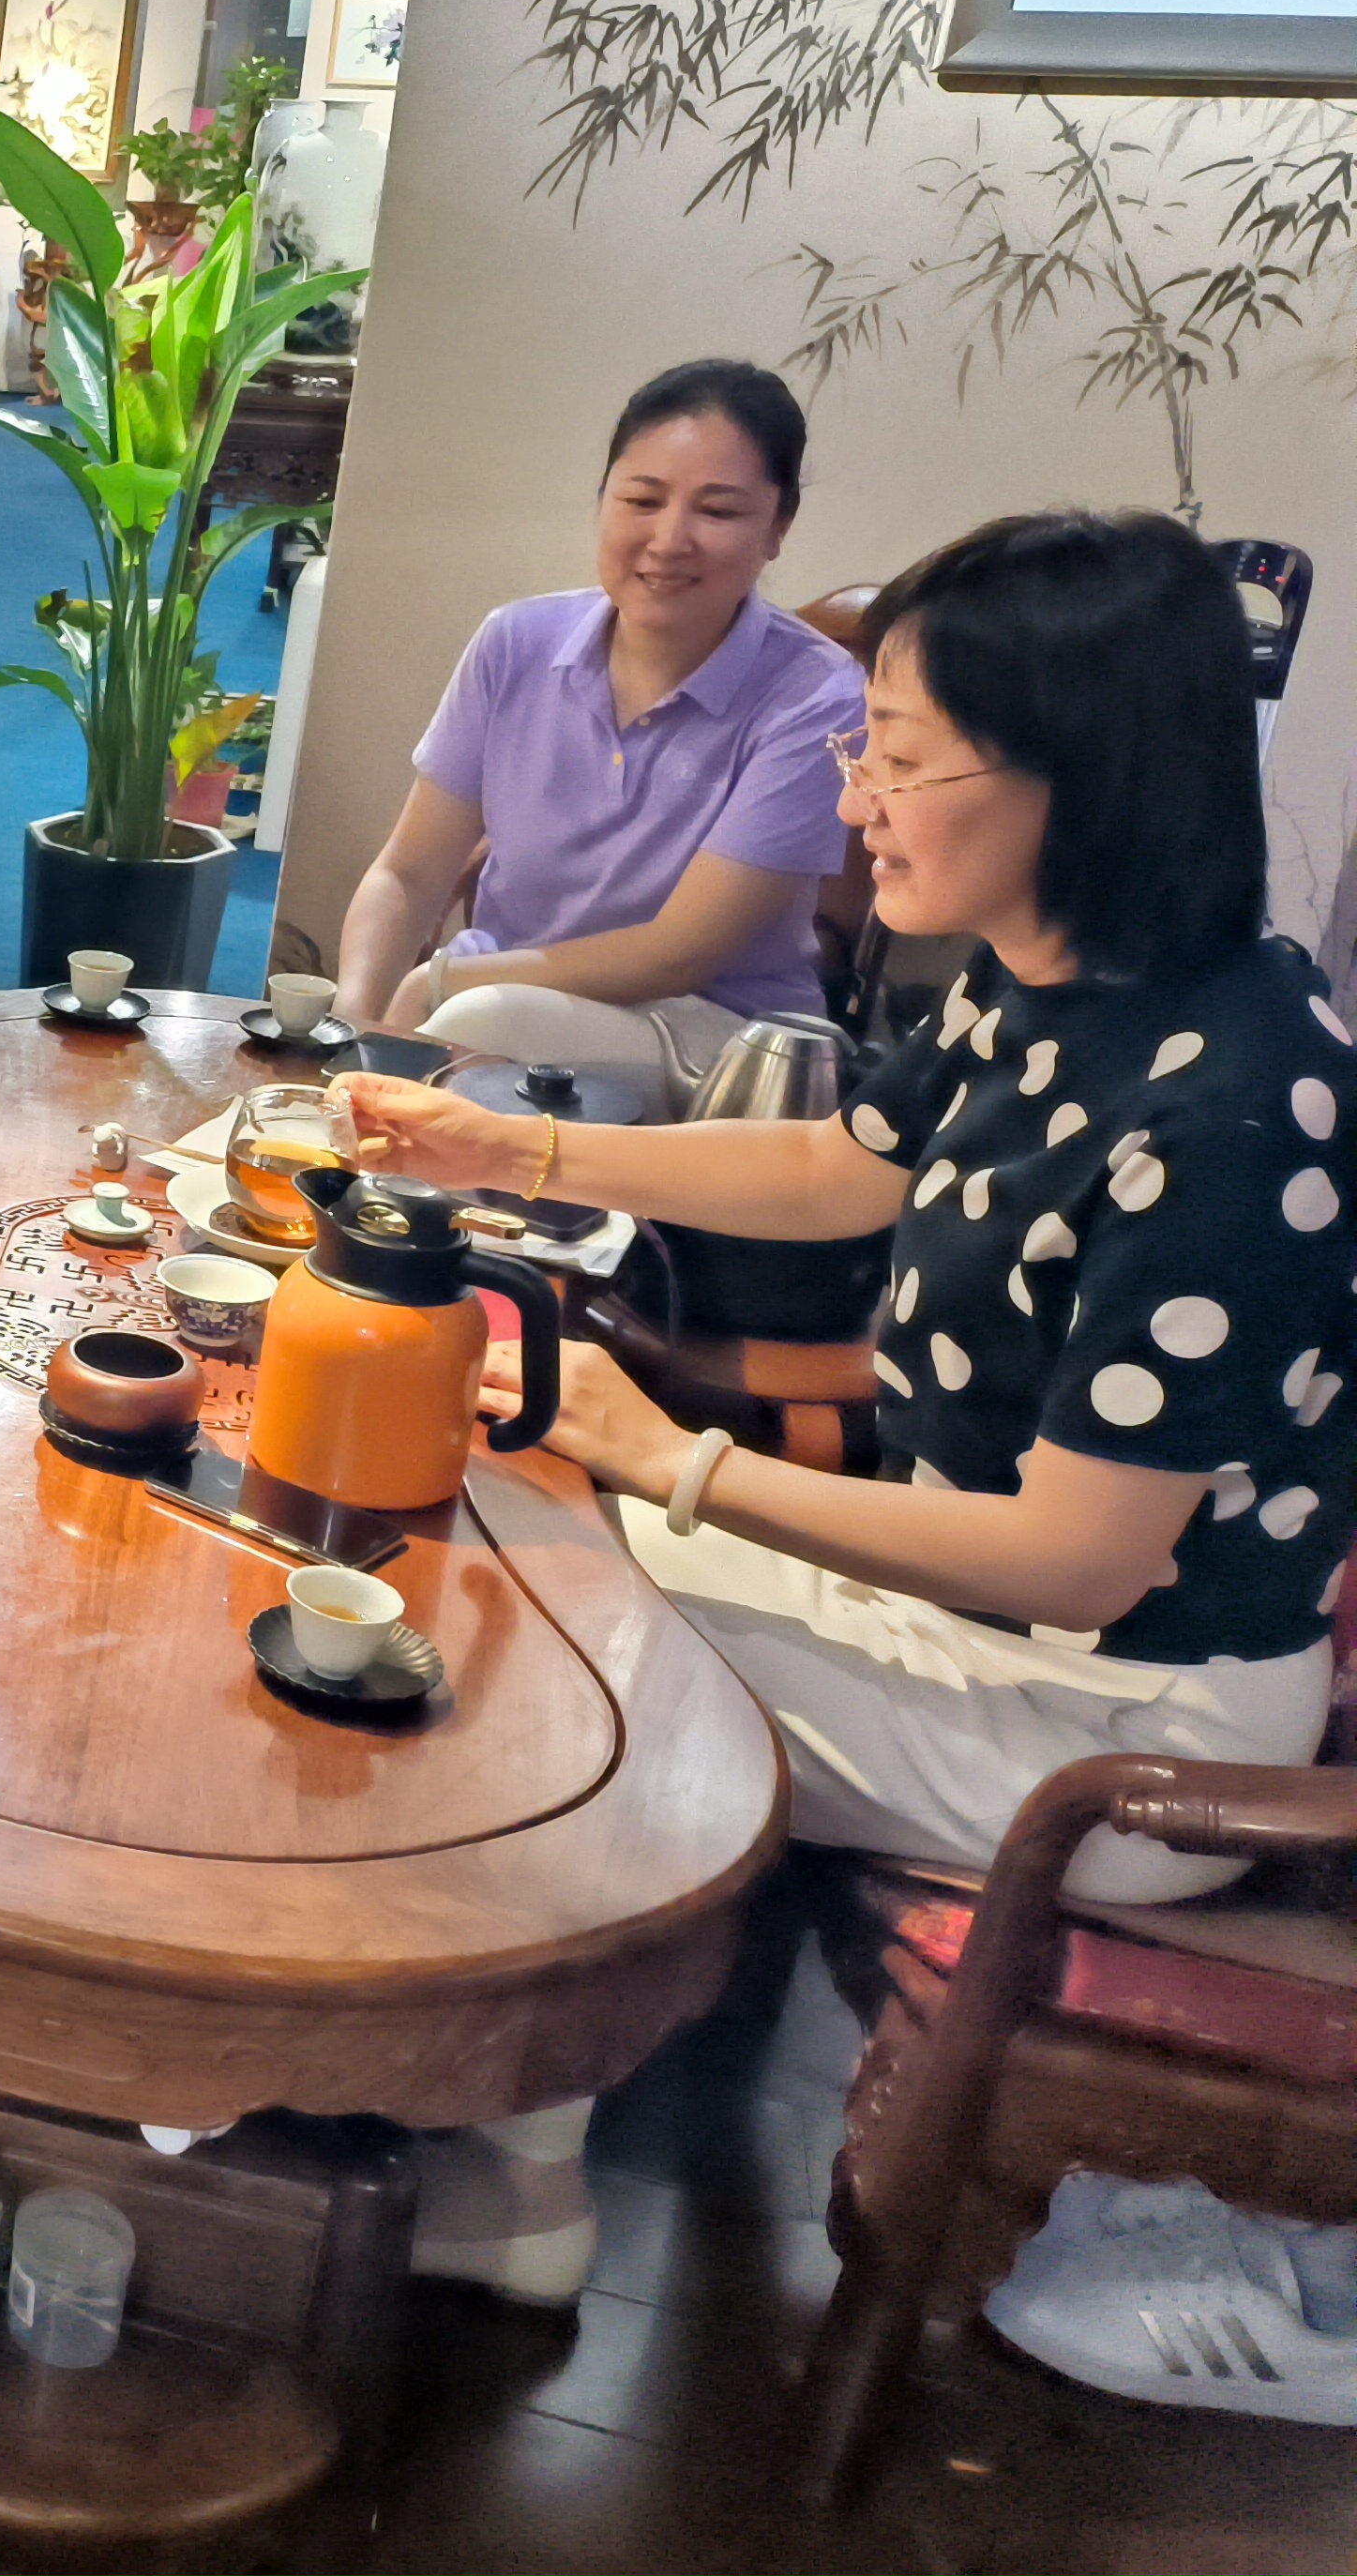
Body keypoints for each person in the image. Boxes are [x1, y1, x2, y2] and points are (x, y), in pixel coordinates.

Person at [347, 510, 1352, 2299]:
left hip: (1124, 1728)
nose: (854, 801)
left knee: (554, 1689)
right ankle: (469, 2114)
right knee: (517, 1546)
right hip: (977, 1621)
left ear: (1078, 776)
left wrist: (680, 1461)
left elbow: (1081, 1557)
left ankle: (509, 2187)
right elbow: (841, 1165)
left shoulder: (1235, 1112)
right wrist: (517, 1151)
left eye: (895, 757)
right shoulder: (1057, 977)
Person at [331, 360, 867, 1099]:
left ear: (778, 527)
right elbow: (409, 873)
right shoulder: (515, 643)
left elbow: (678, 955)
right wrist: (353, 1022)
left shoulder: (817, 694)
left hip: (710, 1042)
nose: (669, 539)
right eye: (642, 500)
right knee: (413, 1063)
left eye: (718, 512)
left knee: (476, 1029)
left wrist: (442, 980)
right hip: (491, 1004)